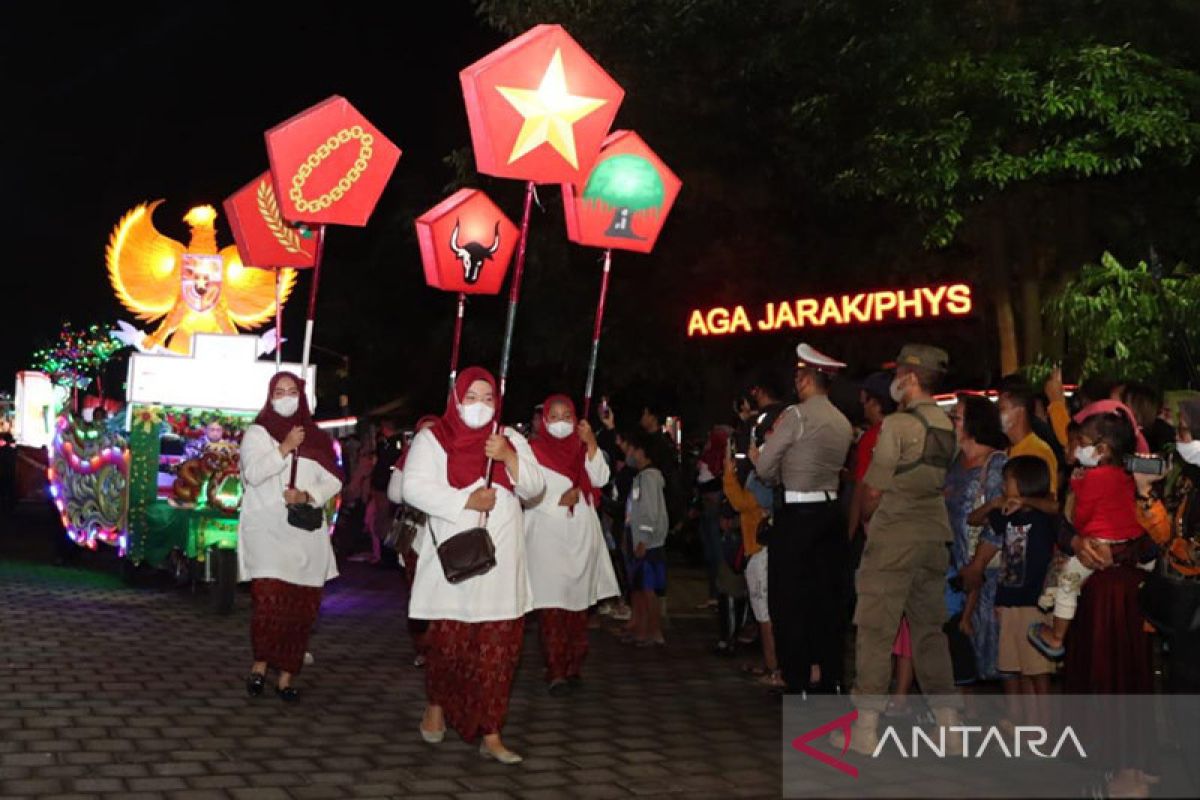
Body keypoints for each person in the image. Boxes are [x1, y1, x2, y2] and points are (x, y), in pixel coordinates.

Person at [403, 367, 545, 765]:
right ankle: (436, 706)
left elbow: (535, 487)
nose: (480, 406)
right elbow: (413, 488)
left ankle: (492, 732)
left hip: (501, 569)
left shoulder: (509, 437)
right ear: (456, 398)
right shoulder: (435, 439)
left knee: (498, 655)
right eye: (472, 397)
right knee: (447, 648)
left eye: (488, 398)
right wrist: (464, 501)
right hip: (455, 564)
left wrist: (509, 457)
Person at [837, 344, 962, 755]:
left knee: (875, 630)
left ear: (908, 377)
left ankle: (866, 731)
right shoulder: (947, 426)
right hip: (933, 537)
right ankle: (949, 726)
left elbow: (872, 489)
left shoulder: (897, 426)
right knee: (929, 632)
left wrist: (871, 517)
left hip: (894, 537)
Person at [754, 343, 853, 695]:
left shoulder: (796, 416)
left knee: (790, 600)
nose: (796, 382)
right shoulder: (842, 421)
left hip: (796, 515)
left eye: (799, 376)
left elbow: (765, 469)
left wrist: (761, 458)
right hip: (830, 513)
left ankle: (797, 677)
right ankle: (829, 675)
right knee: (826, 599)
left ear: (808, 380)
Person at [237, 372, 342, 702]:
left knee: (300, 609)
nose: (286, 397)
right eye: (279, 391)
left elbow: (335, 481)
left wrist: (308, 495)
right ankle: (260, 666)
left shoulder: (316, 438)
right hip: (266, 531)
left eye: (292, 391)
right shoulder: (257, 433)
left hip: (304, 536)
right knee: (269, 602)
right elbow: (253, 474)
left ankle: (286, 676)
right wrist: (284, 448)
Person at [1029, 412, 1151, 658]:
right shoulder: (1131, 475)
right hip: (1130, 546)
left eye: (1082, 443)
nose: (1077, 450)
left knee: (1067, 582)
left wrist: (1079, 536)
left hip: (1094, 545)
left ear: (1102, 449)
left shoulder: (1090, 478)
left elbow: (1080, 517)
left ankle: (1056, 637)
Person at [524, 395, 619, 695]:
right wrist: (555, 502)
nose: (562, 421)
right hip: (547, 539)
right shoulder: (531, 451)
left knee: (578, 608)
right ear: (545, 419)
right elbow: (524, 492)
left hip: (581, 537)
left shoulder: (581, 448)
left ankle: (573, 666)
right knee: (552, 607)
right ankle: (555, 670)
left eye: (568, 415)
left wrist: (591, 443)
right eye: (555, 415)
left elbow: (601, 478)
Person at [961, 456, 1057, 730]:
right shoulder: (1007, 514)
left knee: (1038, 669)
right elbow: (974, 519)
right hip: (1009, 597)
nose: (1003, 485)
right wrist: (994, 503)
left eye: (1008, 481)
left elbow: (1055, 506)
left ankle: (1044, 725)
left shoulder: (1042, 515)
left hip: (1035, 600)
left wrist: (1025, 502)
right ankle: (1028, 721)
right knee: (1019, 666)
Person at [946, 394, 1009, 683]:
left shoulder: (995, 464)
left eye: (957, 417)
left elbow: (998, 522)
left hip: (984, 572)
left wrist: (977, 566)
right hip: (955, 566)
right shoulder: (957, 461)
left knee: (990, 647)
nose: (953, 423)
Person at [721, 440, 780, 687]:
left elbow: (741, 502)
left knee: (765, 615)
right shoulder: (764, 478)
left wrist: (728, 473)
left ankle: (774, 669)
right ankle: (771, 665)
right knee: (764, 614)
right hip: (759, 550)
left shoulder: (765, 480)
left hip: (761, 551)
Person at [387, 415, 440, 668]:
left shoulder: (451, 460)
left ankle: (440, 646)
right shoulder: (406, 460)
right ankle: (423, 647)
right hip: (416, 538)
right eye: (424, 434)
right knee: (418, 593)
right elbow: (396, 494)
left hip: (443, 539)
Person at [624, 430, 670, 646]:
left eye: (632, 449)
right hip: (645, 541)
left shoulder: (648, 478)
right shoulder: (643, 477)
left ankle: (653, 632)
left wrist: (643, 539)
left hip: (648, 543)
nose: (630, 454)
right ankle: (644, 630)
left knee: (648, 589)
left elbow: (649, 512)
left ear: (642, 452)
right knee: (642, 588)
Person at [997, 376, 1059, 497]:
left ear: (1020, 411)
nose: (998, 414)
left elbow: (1049, 501)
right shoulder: (1006, 450)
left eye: (1002, 409)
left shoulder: (1039, 451)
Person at [696, 427, 730, 608]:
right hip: (706, 506)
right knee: (710, 551)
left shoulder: (721, 458)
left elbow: (721, 479)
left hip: (714, 507)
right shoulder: (709, 455)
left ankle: (719, 593)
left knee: (716, 551)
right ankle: (713, 593)